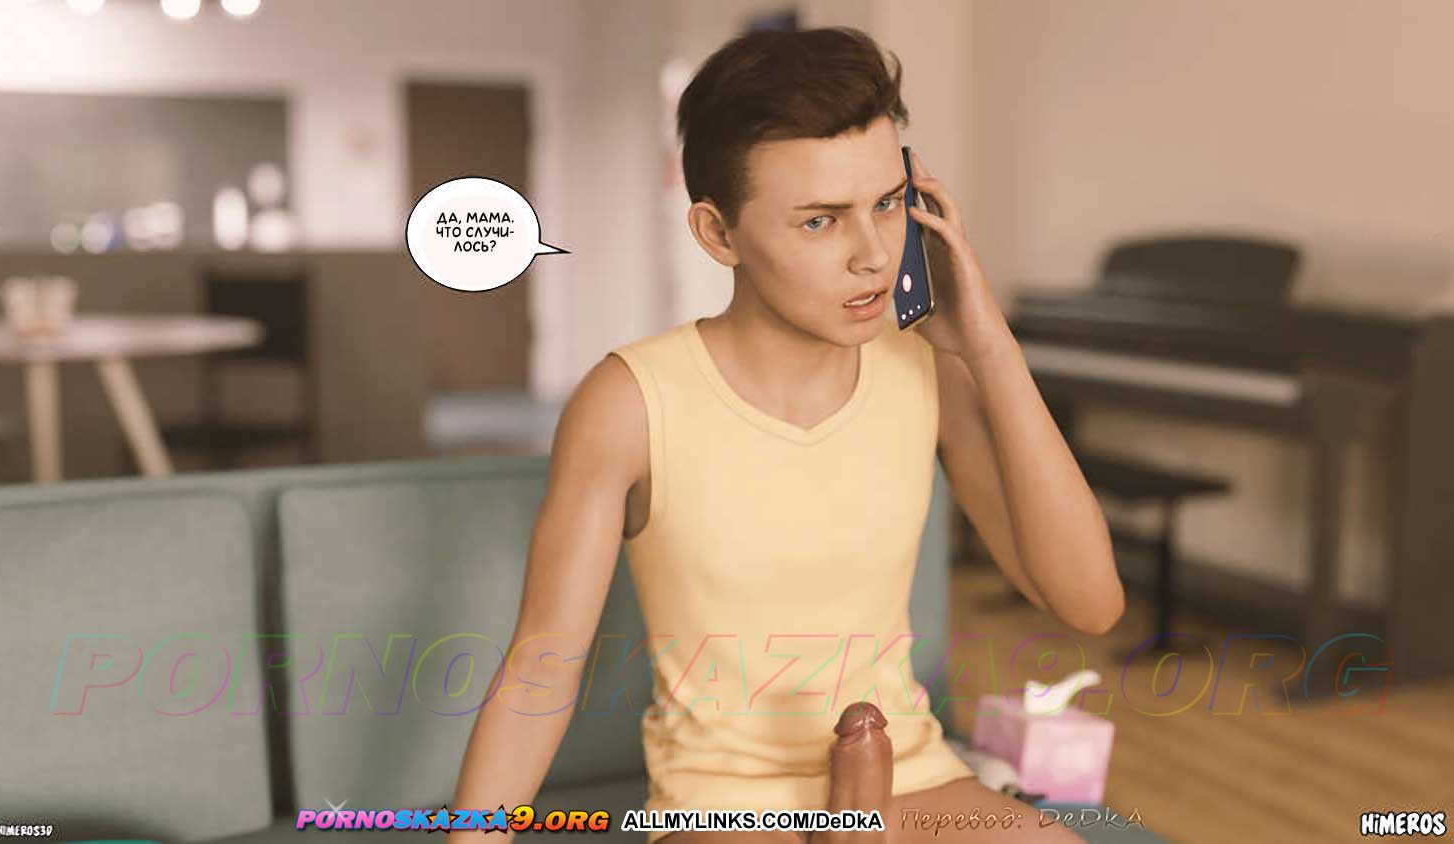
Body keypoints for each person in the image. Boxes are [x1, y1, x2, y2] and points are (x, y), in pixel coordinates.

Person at [447, 26, 1123, 844]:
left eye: (887, 204)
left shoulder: (928, 371)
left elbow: (1090, 603)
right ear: (718, 234)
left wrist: (988, 346)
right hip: (726, 807)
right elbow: (541, 665)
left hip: (910, 782)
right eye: (819, 222)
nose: (873, 255)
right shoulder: (628, 402)